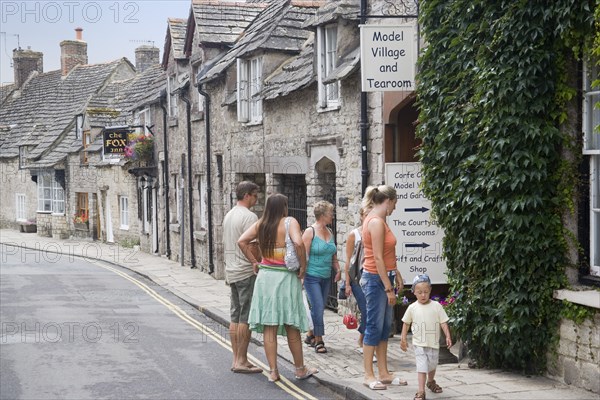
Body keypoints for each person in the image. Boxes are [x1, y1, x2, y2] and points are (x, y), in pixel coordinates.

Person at [238, 193, 318, 383]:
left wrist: (254, 262)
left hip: (265, 277)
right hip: (285, 277)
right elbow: (298, 242)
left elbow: (242, 241)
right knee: (291, 325)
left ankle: (273, 371)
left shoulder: (261, 224)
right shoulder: (289, 221)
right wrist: (303, 268)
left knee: (269, 326)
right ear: (284, 206)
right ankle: (299, 369)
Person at [360, 184, 406, 390]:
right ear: (388, 201)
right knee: (373, 326)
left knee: (385, 327)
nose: (395, 208)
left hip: (383, 277)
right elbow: (377, 258)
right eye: (395, 203)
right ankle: (369, 375)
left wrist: (395, 272)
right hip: (375, 280)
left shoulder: (379, 220)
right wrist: (388, 288)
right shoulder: (376, 222)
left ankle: (384, 373)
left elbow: (385, 255)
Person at [223, 181, 262, 374]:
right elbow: (251, 244)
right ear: (247, 195)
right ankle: (242, 360)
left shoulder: (229, 214)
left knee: (235, 315)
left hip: (231, 270)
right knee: (245, 316)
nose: (257, 199)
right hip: (246, 271)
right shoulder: (249, 216)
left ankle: (236, 358)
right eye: (255, 195)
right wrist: (257, 261)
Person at [401, 274, 452, 400]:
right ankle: (421, 391)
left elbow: (443, 322)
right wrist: (403, 339)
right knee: (422, 367)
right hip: (419, 344)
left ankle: (431, 381)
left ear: (430, 291)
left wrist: (448, 336)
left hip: (433, 343)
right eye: (419, 292)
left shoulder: (436, 306)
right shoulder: (412, 308)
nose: (423, 295)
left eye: (425, 292)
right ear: (414, 292)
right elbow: (406, 323)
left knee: (432, 365)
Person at [302, 200, 340, 354]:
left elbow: (333, 255)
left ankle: (310, 334)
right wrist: (302, 276)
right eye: (331, 213)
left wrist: (337, 269)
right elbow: (303, 256)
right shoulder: (310, 232)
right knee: (317, 307)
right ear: (323, 215)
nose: (333, 215)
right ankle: (319, 340)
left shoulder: (330, 232)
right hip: (312, 277)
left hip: (326, 277)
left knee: (320, 308)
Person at [343, 207, 368, 353]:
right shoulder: (354, 235)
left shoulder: (377, 231)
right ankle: (364, 340)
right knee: (366, 310)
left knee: (370, 311)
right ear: (361, 216)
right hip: (358, 279)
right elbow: (348, 261)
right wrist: (347, 283)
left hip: (372, 277)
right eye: (365, 214)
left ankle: (363, 337)